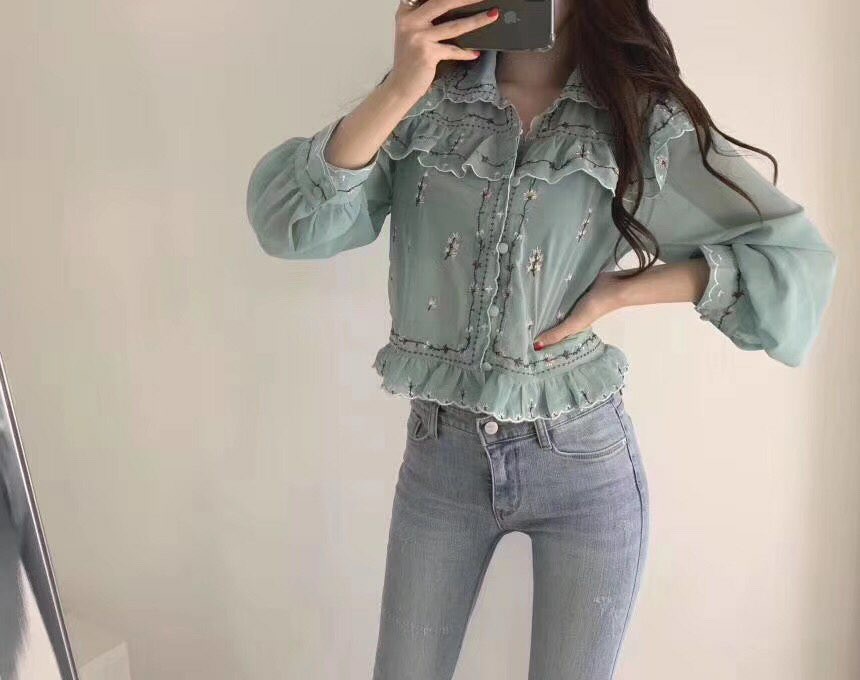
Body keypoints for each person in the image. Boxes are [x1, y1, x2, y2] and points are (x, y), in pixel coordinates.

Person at [245, 0, 838, 677]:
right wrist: (400, 86)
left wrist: (622, 291)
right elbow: (286, 221)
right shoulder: (426, 98)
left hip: (583, 460)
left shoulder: (637, 116)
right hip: (441, 461)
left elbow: (795, 260)